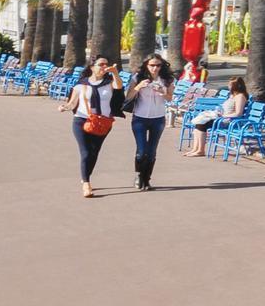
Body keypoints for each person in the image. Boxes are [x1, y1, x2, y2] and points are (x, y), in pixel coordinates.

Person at [60, 57, 124, 198]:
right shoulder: (81, 84)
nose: (104, 67)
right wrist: (65, 107)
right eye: (101, 64)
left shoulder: (109, 83)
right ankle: (86, 183)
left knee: (94, 152)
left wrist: (115, 73)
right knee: (86, 152)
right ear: (91, 67)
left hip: (103, 122)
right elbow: (72, 103)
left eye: (106, 64)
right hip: (82, 120)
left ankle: (85, 175)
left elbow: (119, 87)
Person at [126, 54, 175, 190]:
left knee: (152, 151)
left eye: (158, 65)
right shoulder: (138, 77)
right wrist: (139, 87)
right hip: (140, 117)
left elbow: (170, 98)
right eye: (152, 65)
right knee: (142, 150)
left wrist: (162, 92)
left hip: (158, 118)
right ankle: (139, 175)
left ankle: (147, 179)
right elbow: (128, 96)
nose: (155, 68)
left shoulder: (167, 79)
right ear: (146, 65)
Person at [183, 76, 248, 156]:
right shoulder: (232, 96)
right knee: (199, 123)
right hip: (222, 118)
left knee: (202, 124)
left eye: (230, 85)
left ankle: (201, 150)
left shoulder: (240, 97)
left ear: (236, 86)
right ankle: (195, 149)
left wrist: (223, 116)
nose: (229, 86)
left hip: (229, 121)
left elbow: (238, 113)